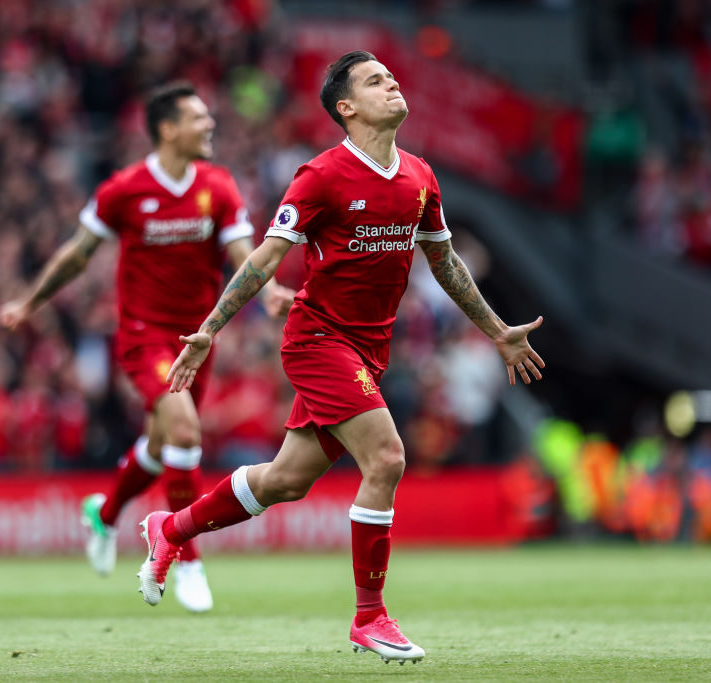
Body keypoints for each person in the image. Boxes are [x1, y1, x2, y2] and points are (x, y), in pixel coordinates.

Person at [137, 52, 545, 663]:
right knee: (387, 456)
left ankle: (169, 529)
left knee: (285, 480)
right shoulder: (321, 176)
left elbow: (446, 264)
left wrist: (494, 330)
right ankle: (369, 617)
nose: (392, 84)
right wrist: (210, 329)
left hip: (368, 350)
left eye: (390, 76)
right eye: (376, 81)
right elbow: (265, 258)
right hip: (317, 342)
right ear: (346, 108)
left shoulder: (420, 178)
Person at [0, 82, 293, 612]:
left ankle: (105, 515)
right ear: (167, 128)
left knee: (162, 449)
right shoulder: (124, 189)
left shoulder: (217, 185)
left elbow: (241, 250)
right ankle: (185, 559)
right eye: (198, 118)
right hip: (143, 336)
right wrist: (30, 302)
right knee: (184, 430)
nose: (210, 125)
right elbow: (78, 253)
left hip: (197, 340)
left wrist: (269, 290)